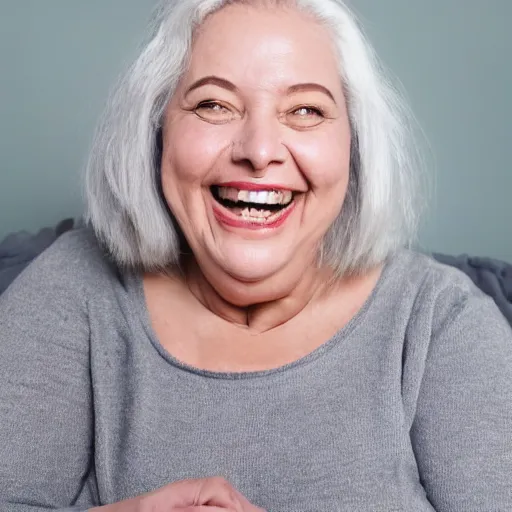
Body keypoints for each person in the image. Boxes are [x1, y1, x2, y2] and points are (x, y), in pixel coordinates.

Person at [1, 0, 511, 510]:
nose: (260, 149)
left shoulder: (441, 323)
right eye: (213, 105)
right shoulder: (73, 287)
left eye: (305, 110)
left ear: (354, 147)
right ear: (156, 131)